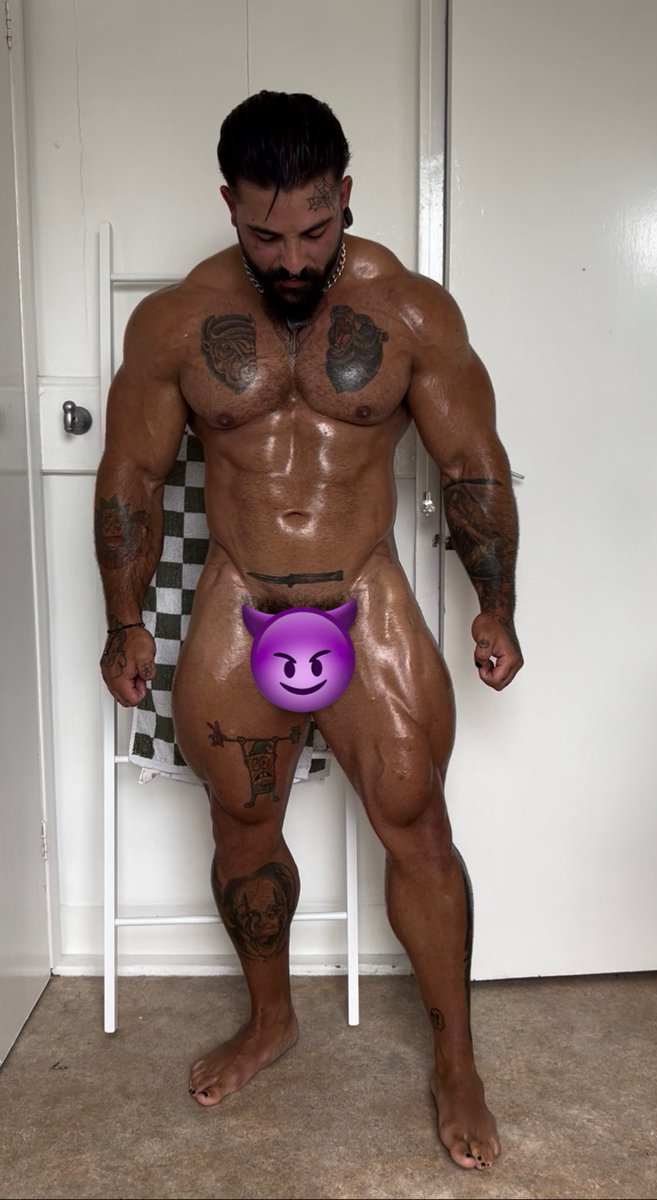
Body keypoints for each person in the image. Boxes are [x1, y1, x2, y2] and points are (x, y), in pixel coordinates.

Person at [95, 90, 523, 1171]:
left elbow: (471, 464)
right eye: (265, 235)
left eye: (315, 231)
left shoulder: (411, 312)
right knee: (242, 825)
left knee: (415, 821)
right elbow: (132, 476)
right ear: (229, 206)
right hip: (239, 593)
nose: (292, 258)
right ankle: (270, 1019)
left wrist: (496, 602)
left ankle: (457, 1062)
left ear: (346, 197)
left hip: (363, 590)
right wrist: (123, 620)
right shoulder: (176, 323)